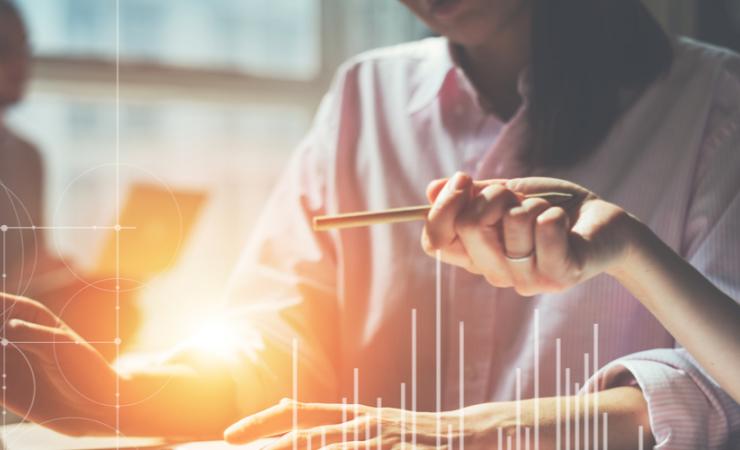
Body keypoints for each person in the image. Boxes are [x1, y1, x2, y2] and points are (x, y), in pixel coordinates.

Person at [1, 1, 739, 449]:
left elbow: (718, 385)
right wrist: (120, 391)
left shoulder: (714, 104)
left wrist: (477, 435)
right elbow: (276, 339)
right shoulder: (364, 92)